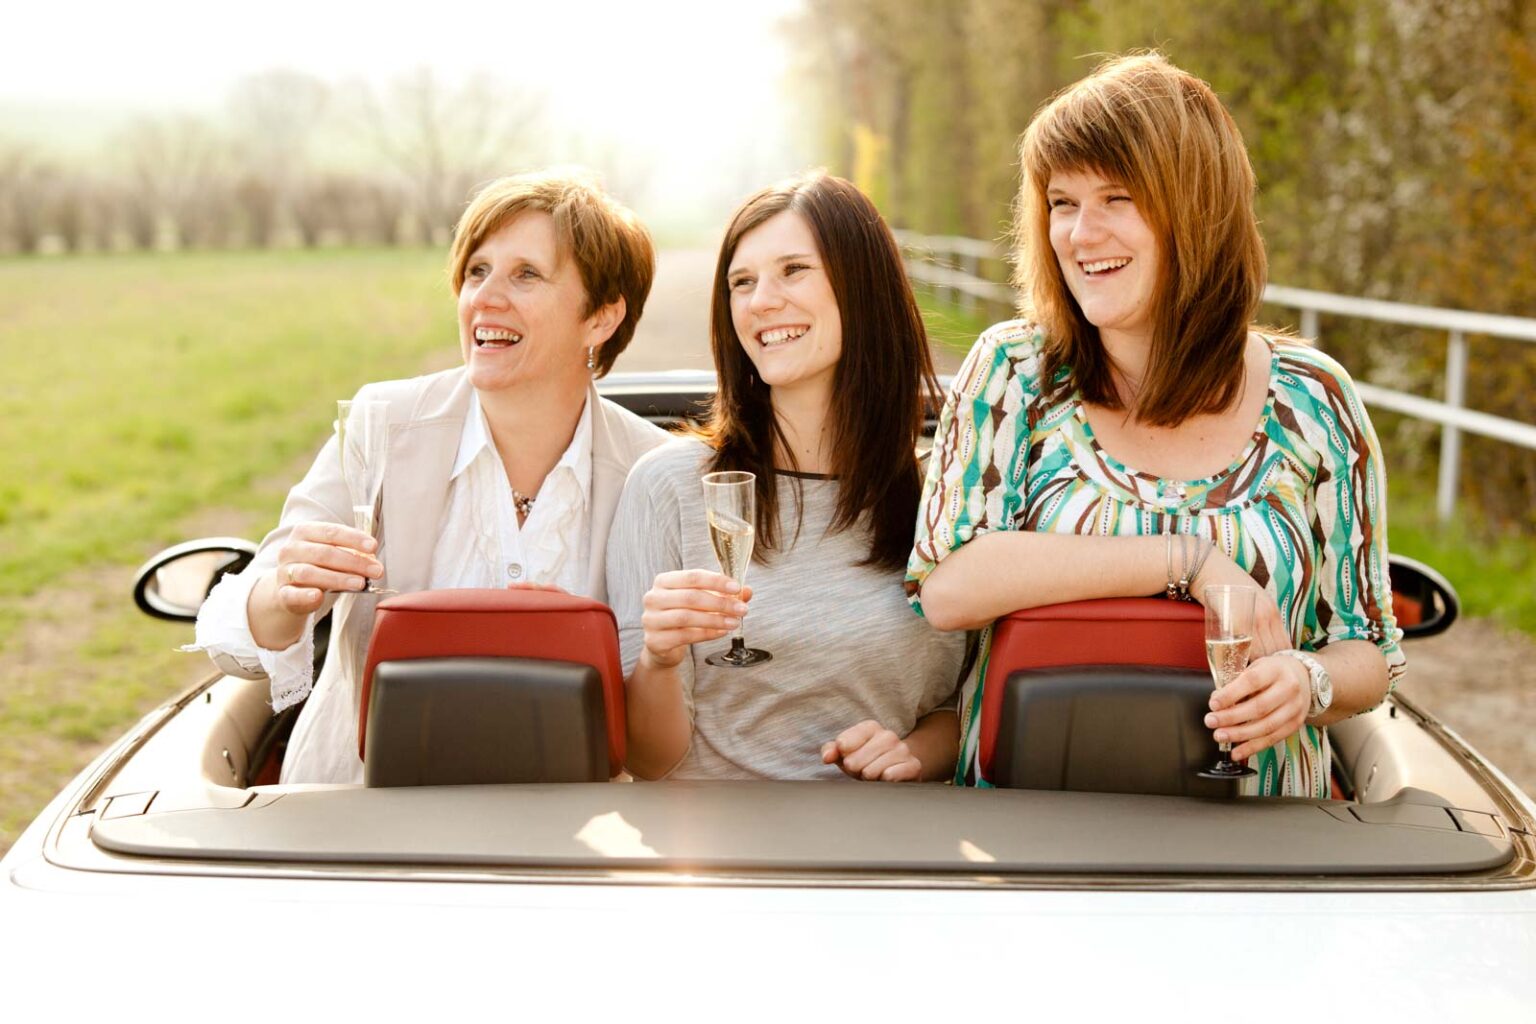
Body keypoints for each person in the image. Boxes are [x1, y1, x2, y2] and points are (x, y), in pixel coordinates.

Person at [907, 54, 1405, 797]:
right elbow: (947, 589)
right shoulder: (1011, 372)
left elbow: (1369, 649)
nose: (1081, 233)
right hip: (1032, 838)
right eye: (1062, 202)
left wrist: (1308, 681)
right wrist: (1187, 558)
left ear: (1198, 209)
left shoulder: (1315, 402)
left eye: (1119, 197)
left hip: (1268, 851)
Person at [192, 170, 669, 784]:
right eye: (477, 271)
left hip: (569, 830)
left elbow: (676, 694)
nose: (485, 298)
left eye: (526, 274)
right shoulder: (380, 425)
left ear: (601, 318)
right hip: (364, 814)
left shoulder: (652, 470)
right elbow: (234, 642)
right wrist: (284, 596)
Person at [607, 173, 966, 782]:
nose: (760, 301)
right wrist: (661, 662)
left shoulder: (945, 497)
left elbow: (973, 704)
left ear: (863, 288)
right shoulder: (668, 485)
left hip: (897, 850)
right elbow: (646, 760)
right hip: (721, 855)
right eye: (741, 283)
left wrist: (918, 753)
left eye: (793, 270)